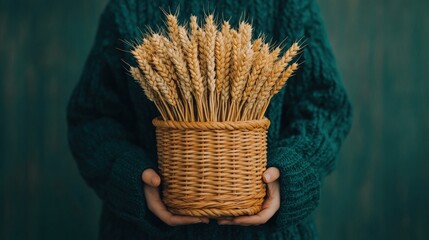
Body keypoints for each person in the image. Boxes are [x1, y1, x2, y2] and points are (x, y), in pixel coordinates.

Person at [67, 0, 352, 239]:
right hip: (141, 231)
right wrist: (130, 177)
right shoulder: (129, 6)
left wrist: (292, 172)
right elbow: (92, 116)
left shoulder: (289, 4)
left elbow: (327, 106)